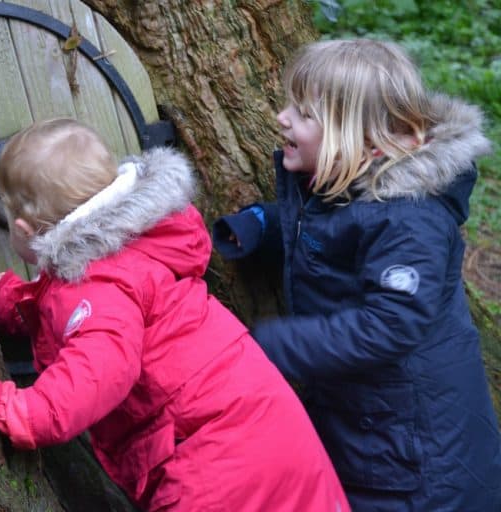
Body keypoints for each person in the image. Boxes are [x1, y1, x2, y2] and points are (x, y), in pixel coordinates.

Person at [0, 118, 349, 511]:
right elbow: (85, 313)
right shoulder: (139, 243)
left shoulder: (98, 286)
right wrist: (17, 302)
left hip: (211, 464)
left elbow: (99, 364)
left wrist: (26, 412)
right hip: (271, 425)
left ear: (26, 230)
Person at [213, 38, 501, 511]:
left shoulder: (411, 218)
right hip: (375, 429)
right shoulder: (347, 189)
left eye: (303, 114)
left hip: (419, 463)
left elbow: (392, 323)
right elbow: (336, 240)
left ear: (364, 141)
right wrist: (263, 227)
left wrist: (273, 346)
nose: (282, 117)